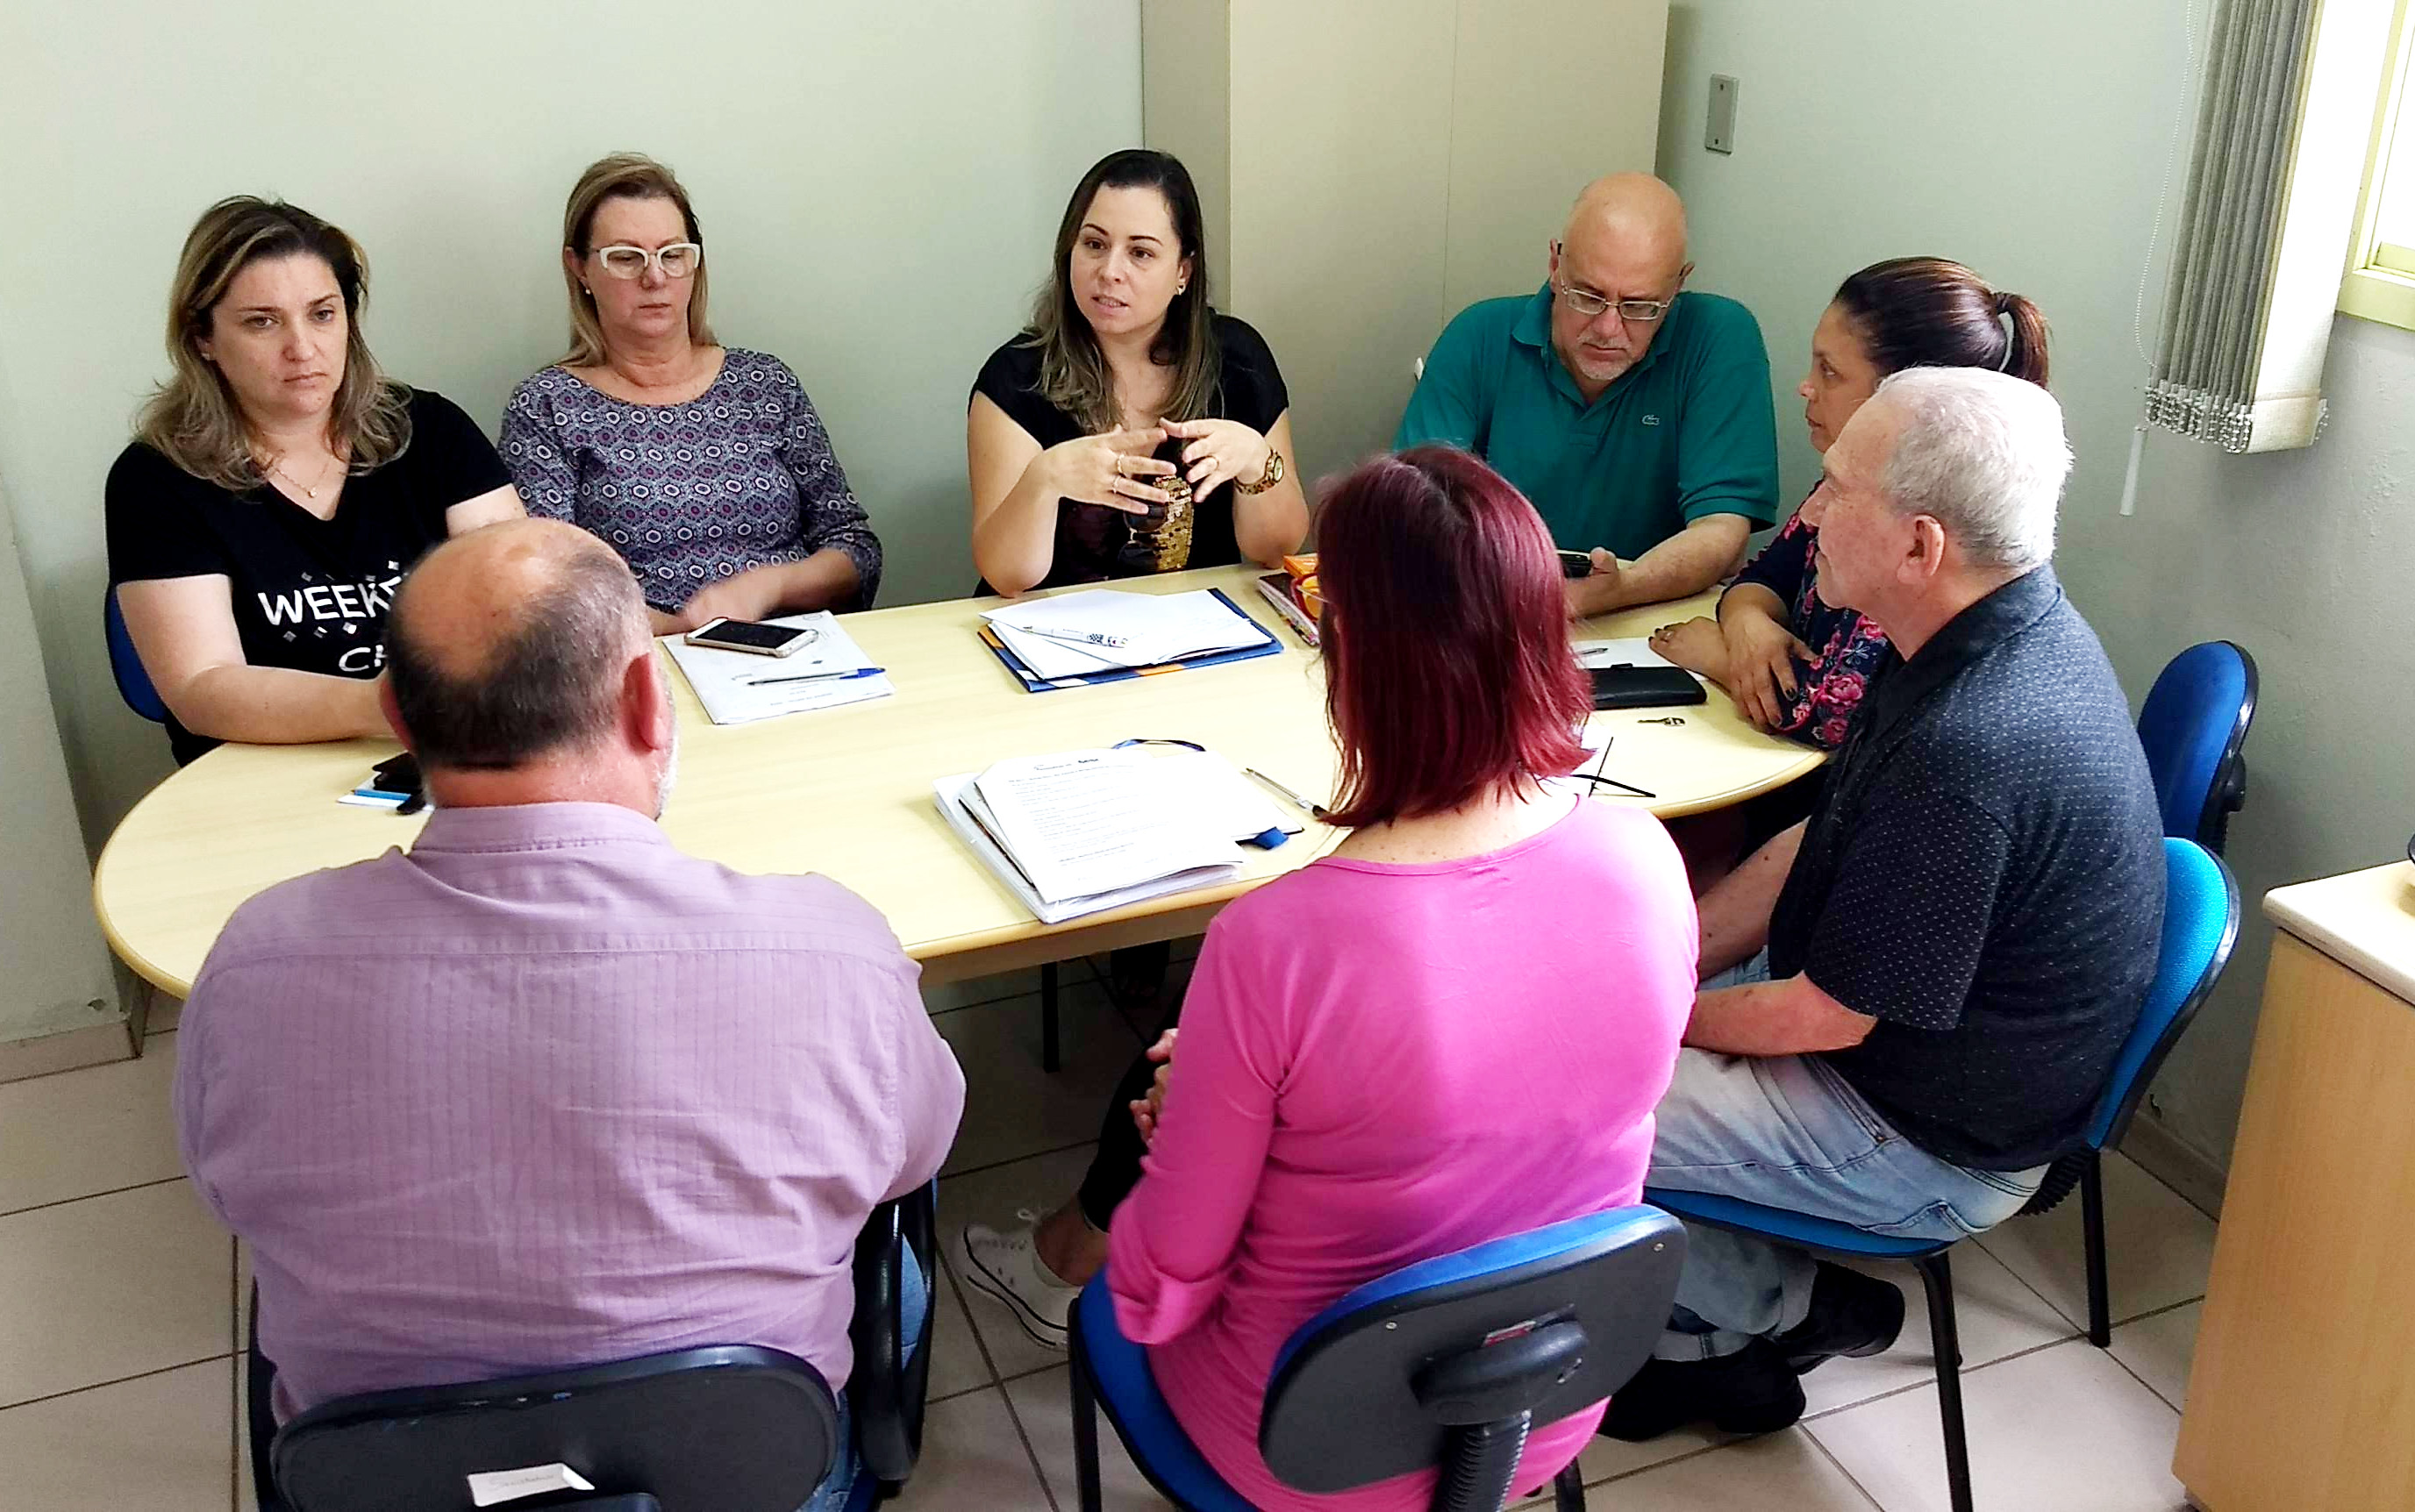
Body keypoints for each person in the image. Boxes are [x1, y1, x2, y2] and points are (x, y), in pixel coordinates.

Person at [173, 519, 962, 1512]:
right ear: (647, 697)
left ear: (397, 717)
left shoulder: (254, 954)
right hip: (750, 1472)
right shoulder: (833, 944)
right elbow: (915, 1156)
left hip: (391, 1482)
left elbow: (224, 1191)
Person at [964, 448, 1697, 1509]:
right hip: (1545, 1398)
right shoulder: (1643, 857)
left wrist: (1208, 1128)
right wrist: (1267, 1114)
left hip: (1301, 1438)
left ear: (1344, 646)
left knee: (1108, 1311)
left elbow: (1159, 1292)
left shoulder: (1277, 940)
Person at [1600, 368, 2166, 1442]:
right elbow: (1814, 842)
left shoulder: (1973, 743)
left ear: (1918, 545)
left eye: (1833, 488)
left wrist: (1639, 1022)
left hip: (1920, 1142)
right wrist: (1663, 969)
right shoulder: (1972, 628)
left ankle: (1785, 1304)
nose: (1804, 513)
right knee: (1590, 1014)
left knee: (1540, 1096)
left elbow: (1825, 1015)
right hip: (1873, 1042)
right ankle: (1707, 1325)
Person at [106, 196, 524, 764]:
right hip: (259, 773)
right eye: (262, 321)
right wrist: (390, 707)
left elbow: (523, 602)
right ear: (203, 337)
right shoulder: (155, 480)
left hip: (456, 753)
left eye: (322, 314)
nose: (301, 349)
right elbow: (202, 687)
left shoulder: (431, 431)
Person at [1647, 258, 2052, 747]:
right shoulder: (1847, 482)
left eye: (1831, 371)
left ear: (1901, 398)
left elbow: (1839, 712)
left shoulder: (1912, 526)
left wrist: (1720, 656)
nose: (1806, 386)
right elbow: (1766, 574)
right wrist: (1750, 625)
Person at [502, 153, 882, 633]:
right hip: (638, 661)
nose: (655, 278)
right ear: (579, 268)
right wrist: (686, 629)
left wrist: (770, 586)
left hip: (795, 651)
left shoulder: (765, 383)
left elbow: (853, 546)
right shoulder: (548, 405)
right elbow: (545, 585)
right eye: (625, 257)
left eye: (672, 254)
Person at [1396, 173, 1778, 617]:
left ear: (1678, 287)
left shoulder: (1719, 338)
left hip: (1647, 615)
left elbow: (1722, 532)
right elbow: (1415, 512)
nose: (1608, 329)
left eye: (1639, 307)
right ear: (1555, 266)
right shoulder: (1479, 336)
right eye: (1588, 296)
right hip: (1493, 609)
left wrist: (1620, 590)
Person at [968, 147, 1310, 597]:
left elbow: (1277, 549)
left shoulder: (1237, 359)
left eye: (1141, 253)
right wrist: (1044, 480)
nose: (1110, 272)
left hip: (1197, 634)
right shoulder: (1017, 375)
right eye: (1094, 244)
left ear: (1183, 271)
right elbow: (1008, 577)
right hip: (1053, 635)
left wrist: (1255, 462)